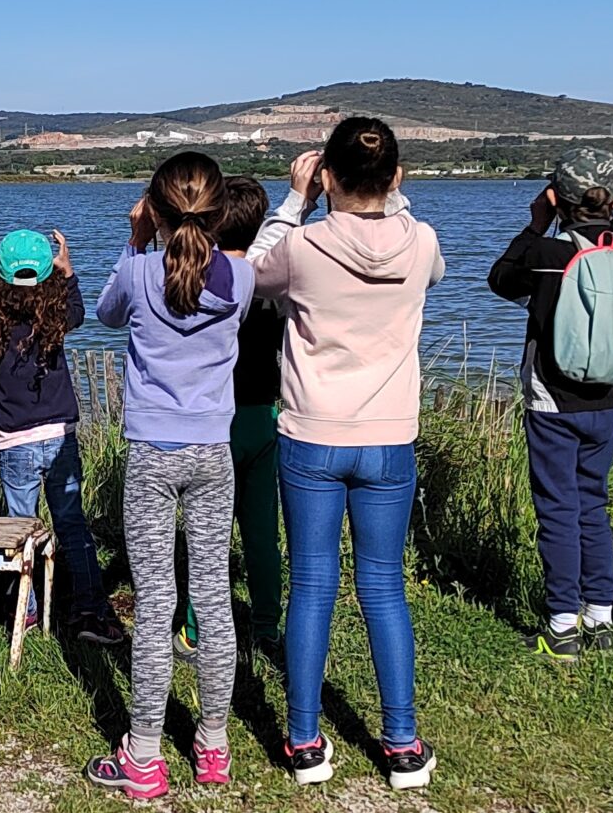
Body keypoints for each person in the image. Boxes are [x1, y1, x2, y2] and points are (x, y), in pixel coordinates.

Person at [251, 120, 445, 790]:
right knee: (384, 587)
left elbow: (248, 278)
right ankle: (401, 743)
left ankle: (303, 741)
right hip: (389, 436)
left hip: (310, 432)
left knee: (312, 585)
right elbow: (434, 270)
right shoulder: (420, 241)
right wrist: (394, 199)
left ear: (324, 173)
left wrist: (293, 201)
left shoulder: (302, 246)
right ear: (395, 177)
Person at [83, 151, 251, 799]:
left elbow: (104, 312)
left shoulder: (138, 269)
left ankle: (145, 758)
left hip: (153, 451)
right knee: (210, 599)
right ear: (219, 213)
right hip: (214, 452)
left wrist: (136, 237)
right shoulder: (239, 275)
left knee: (154, 604)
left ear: (153, 208)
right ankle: (213, 746)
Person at [486, 145, 613, 659]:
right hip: (608, 397)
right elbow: (612, 232)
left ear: (555, 197)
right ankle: (600, 615)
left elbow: (499, 279)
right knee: (593, 503)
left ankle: (563, 623)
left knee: (557, 508)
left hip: (553, 399)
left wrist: (536, 224)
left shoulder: (548, 256)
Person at [0, 227, 125, 645]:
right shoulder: (53, 319)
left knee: (22, 528)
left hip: (15, 442)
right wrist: (69, 275)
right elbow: (78, 312)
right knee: (72, 524)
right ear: (48, 275)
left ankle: (27, 610)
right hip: (59, 435)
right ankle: (90, 607)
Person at [173, 176, 286, 660]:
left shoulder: (208, 281)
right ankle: (265, 625)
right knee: (262, 531)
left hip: (215, 418)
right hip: (265, 411)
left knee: (208, 534)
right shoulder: (271, 279)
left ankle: (198, 629)